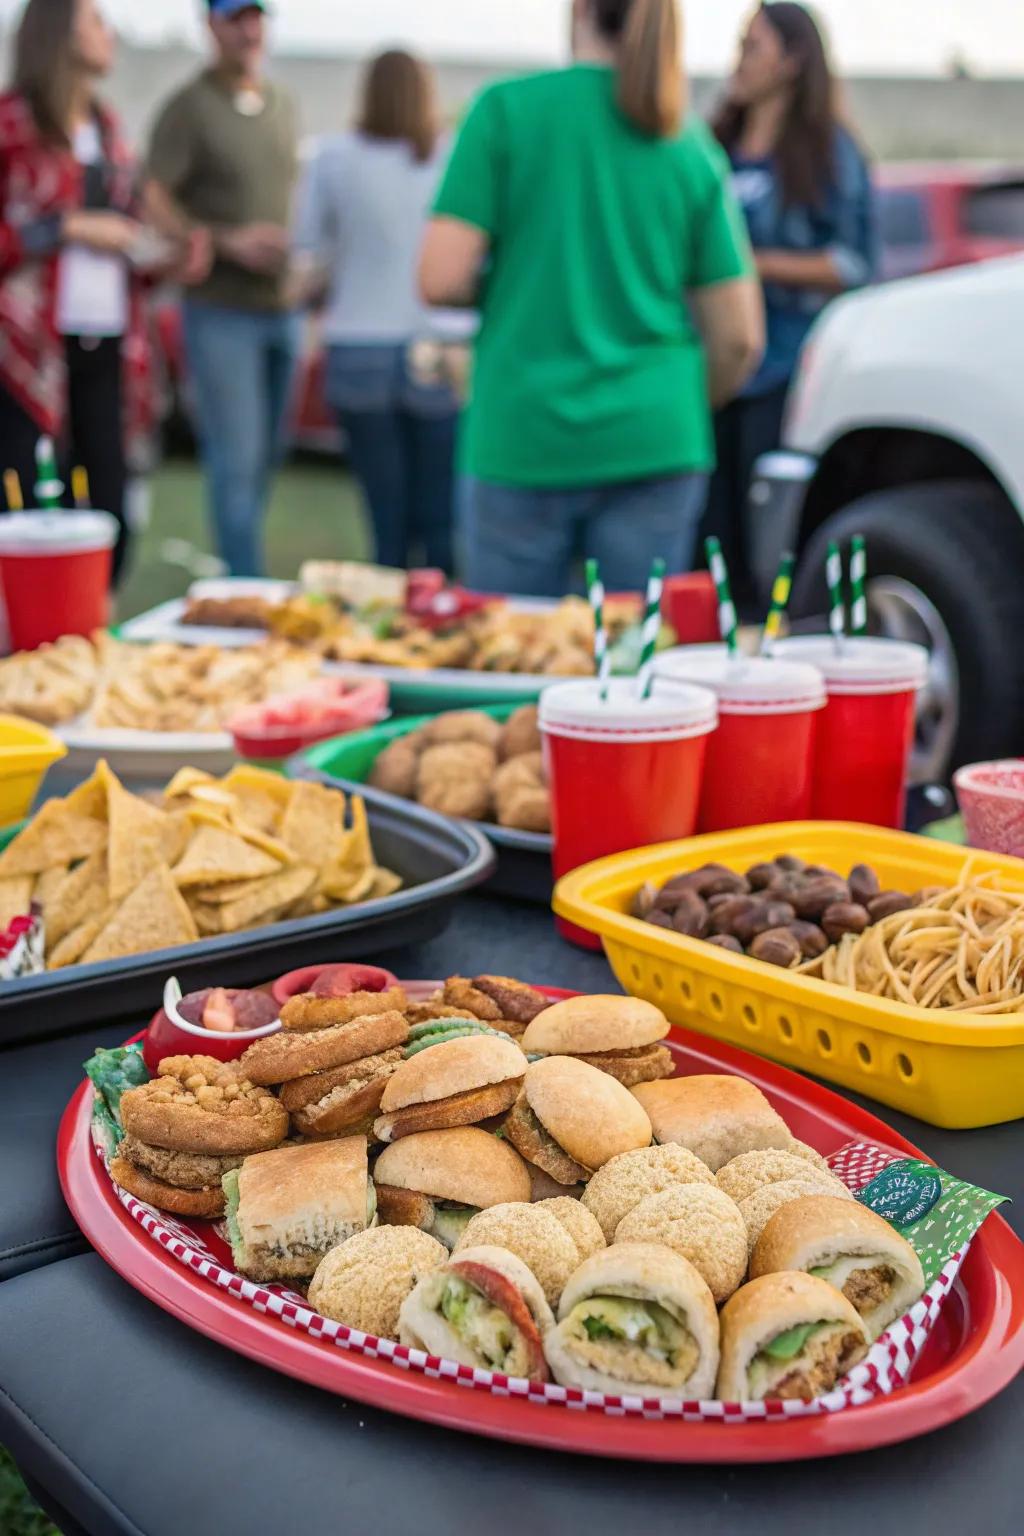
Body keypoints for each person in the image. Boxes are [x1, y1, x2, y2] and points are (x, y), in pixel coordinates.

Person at [419, 0, 764, 599]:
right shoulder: (688, 143)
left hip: (523, 432)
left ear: (578, 10)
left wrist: (517, 279)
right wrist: (671, 403)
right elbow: (739, 339)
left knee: (514, 665)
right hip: (656, 439)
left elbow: (439, 278)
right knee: (631, 675)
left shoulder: (505, 113)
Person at [706, 1, 875, 600]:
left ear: (794, 60)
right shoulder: (712, 143)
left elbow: (853, 263)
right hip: (709, 365)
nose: (740, 60)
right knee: (709, 539)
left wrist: (748, 266)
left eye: (754, 45)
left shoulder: (829, 151)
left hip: (780, 367)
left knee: (763, 549)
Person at [0, 0, 161, 582]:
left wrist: (163, 254)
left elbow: (128, 230)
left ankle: (87, 637)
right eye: (95, 19)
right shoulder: (11, 124)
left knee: (109, 508)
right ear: (59, 31)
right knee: (28, 509)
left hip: (110, 340)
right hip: (26, 349)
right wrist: (65, 227)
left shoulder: (109, 129)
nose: (108, 31)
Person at [144, 0, 300, 577]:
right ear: (210, 25)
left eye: (258, 16)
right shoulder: (190, 108)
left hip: (281, 308)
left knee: (267, 460)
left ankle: (242, 580)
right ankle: (245, 594)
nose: (250, 28)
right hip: (220, 312)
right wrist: (226, 241)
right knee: (236, 461)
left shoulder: (283, 103)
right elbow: (154, 195)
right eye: (236, 17)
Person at [293, 51, 461, 574]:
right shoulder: (451, 157)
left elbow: (308, 248)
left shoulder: (333, 158)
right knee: (439, 519)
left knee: (385, 521)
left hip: (359, 345)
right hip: (437, 344)